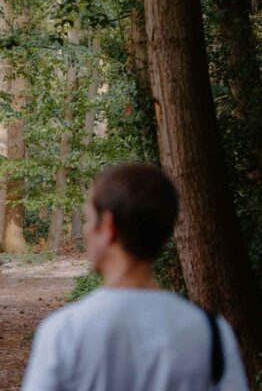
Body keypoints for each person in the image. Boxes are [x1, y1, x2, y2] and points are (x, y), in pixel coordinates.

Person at [21, 163, 249, 391]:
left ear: (108, 226)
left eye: (89, 220)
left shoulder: (63, 333)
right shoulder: (211, 333)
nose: (88, 231)